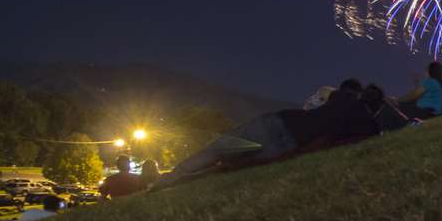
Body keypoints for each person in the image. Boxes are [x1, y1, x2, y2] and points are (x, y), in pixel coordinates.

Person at [158, 79, 380, 185]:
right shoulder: (367, 125)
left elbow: (327, 93)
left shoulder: (343, 97)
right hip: (289, 144)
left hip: (279, 122)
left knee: (218, 150)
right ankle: (187, 181)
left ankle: (170, 179)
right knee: (229, 166)